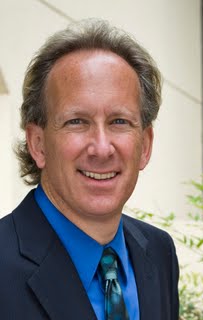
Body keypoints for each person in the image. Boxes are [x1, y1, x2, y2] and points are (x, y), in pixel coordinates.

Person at [0, 19, 179, 319]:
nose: (101, 148)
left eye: (119, 121)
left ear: (145, 145)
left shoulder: (159, 253)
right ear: (38, 144)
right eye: (77, 122)